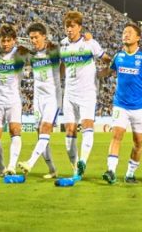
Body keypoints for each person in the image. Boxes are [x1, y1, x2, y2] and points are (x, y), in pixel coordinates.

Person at [100, 24, 142, 184]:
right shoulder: (118, 57)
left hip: (139, 107)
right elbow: (108, 71)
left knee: (138, 143)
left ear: (138, 38)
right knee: (116, 136)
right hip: (120, 105)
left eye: (130, 32)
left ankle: (130, 173)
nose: (126, 34)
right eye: (124, 32)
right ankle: (111, 171)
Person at [59, 10, 107, 179]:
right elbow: (63, 65)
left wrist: (107, 70)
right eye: (67, 27)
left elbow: (106, 58)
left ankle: (83, 161)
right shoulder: (63, 44)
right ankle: (75, 169)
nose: (69, 30)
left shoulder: (90, 43)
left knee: (87, 125)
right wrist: (59, 79)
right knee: (69, 131)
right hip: (69, 93)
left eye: (72, 26)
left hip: (87, 92)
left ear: (79, 27)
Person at [18, 22, 61, 179]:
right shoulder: (33, 55)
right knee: (40, 134)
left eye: (36, 37)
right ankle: (52, 169)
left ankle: (30, 162)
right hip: (38, 98)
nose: (33, 40)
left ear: (44, 36)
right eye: (31, 38)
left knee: (45, 129)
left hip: (52, 97)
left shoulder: (55, 50)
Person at [0, 24, 28, 177]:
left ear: (14, 41)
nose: (5, 44)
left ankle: (11, 166)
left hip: (13, 99)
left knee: (15, 131)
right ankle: (0, 167)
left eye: (8, 41)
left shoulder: (21, 53)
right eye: (3, 41)